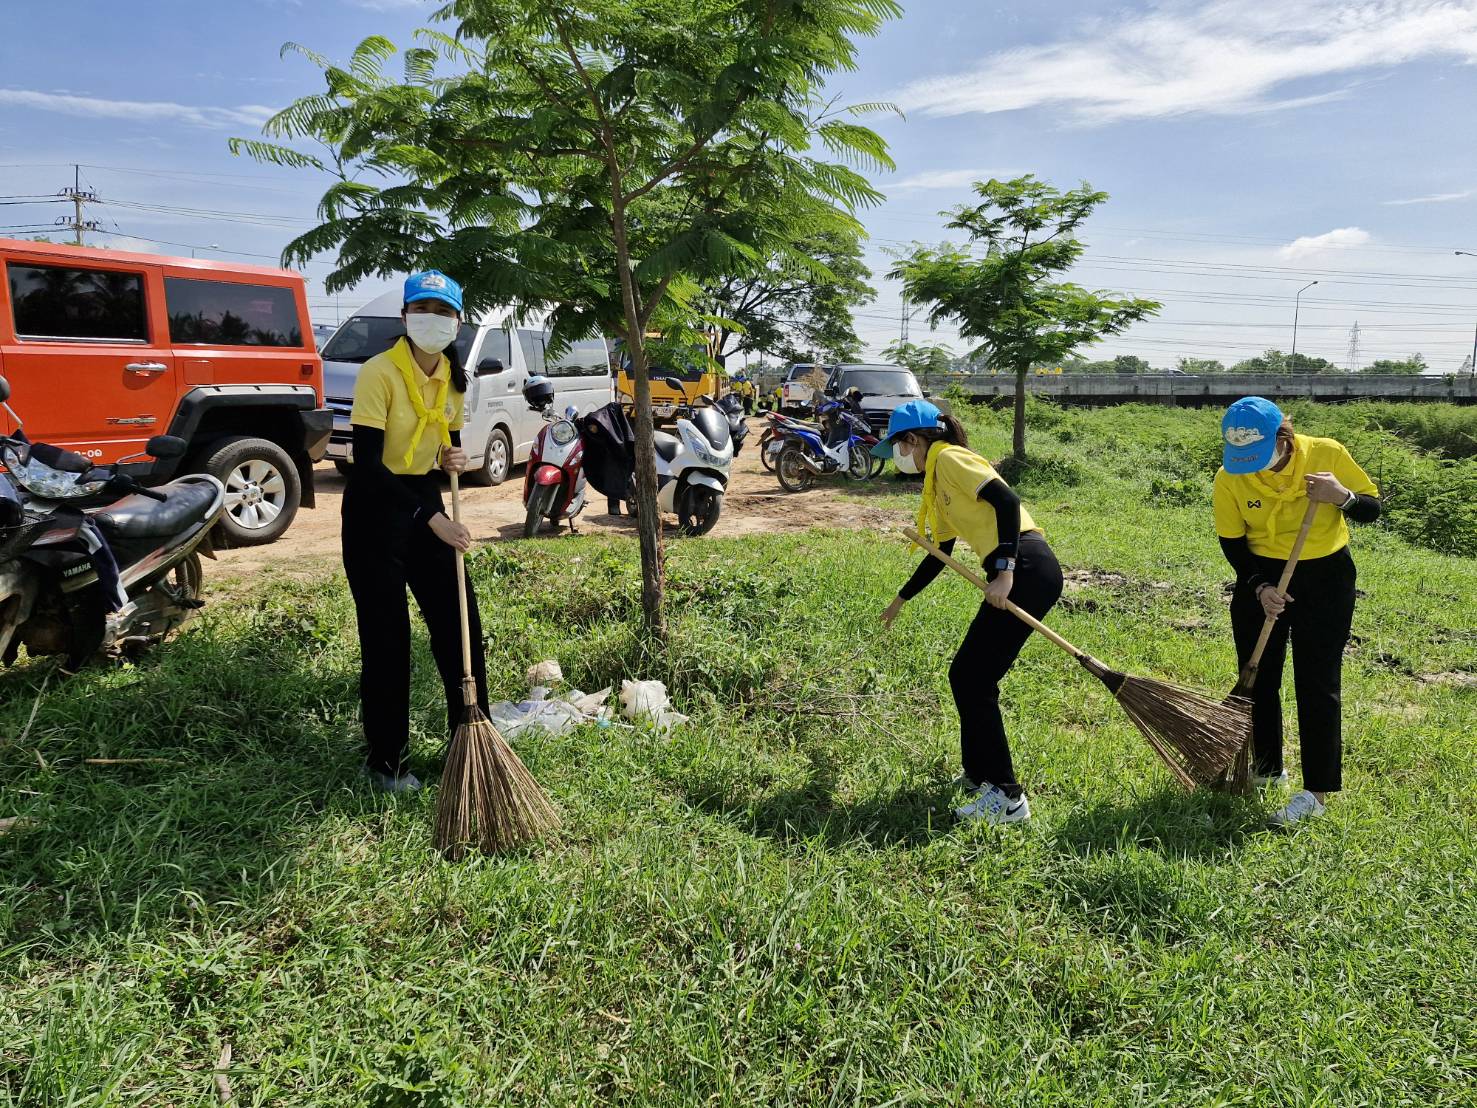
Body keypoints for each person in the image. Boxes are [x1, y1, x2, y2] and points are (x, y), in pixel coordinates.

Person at [875, 400, 1063, 825]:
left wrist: (1005, 570)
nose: (901, 458)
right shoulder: (937, 484)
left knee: (973, 677)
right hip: (1018, 569)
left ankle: (1008, 798)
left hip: (1027, 566)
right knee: (968, 675)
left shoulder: (953, 458)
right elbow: (939, 552)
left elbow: (1007, 501)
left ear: (914, 439)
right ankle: (980, 776)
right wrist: (900, 600)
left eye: (902, 447)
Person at [342, 270, 489, 793]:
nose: (434, 320)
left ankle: (472, 743)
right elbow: (367, 464)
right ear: (405, 317)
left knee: (462, 628)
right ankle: (387, 762)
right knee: (387, 642)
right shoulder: (378, 373)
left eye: (445, 311)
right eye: (423, 309)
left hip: (425, 498)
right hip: (375, 510)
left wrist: (453, 455)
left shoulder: (453, 378)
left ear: (457, 321)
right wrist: (433, 520)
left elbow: (443, 444)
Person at [1214, 397, 1381, 826]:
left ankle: (1316, 793)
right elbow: (1232, 542)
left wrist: (1341, 497)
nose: (1254, 468)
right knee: (1259, 676)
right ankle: (1268, 768)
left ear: (1283, 438)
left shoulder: (1326, 453)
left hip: (1325, 575)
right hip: (1263, 575)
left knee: (1317, 680)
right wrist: (1259, 586)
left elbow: (1372, 510)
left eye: (1261, 457)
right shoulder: (1229, 477)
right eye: (1244, 460)